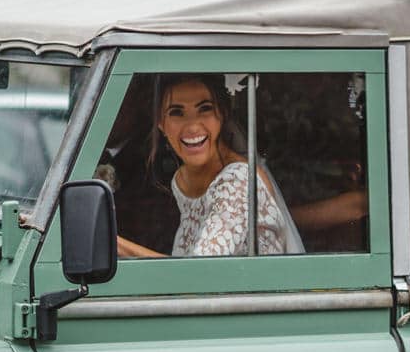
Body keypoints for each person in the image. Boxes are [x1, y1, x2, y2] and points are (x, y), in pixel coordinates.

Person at [116, 77, 304, 258]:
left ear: (222, 114)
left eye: (205, 109)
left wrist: (116, 246)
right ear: (160, 123)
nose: (192, 127)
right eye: (176, 112)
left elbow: (200, 273)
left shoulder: (238, 181)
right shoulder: (181, 180)